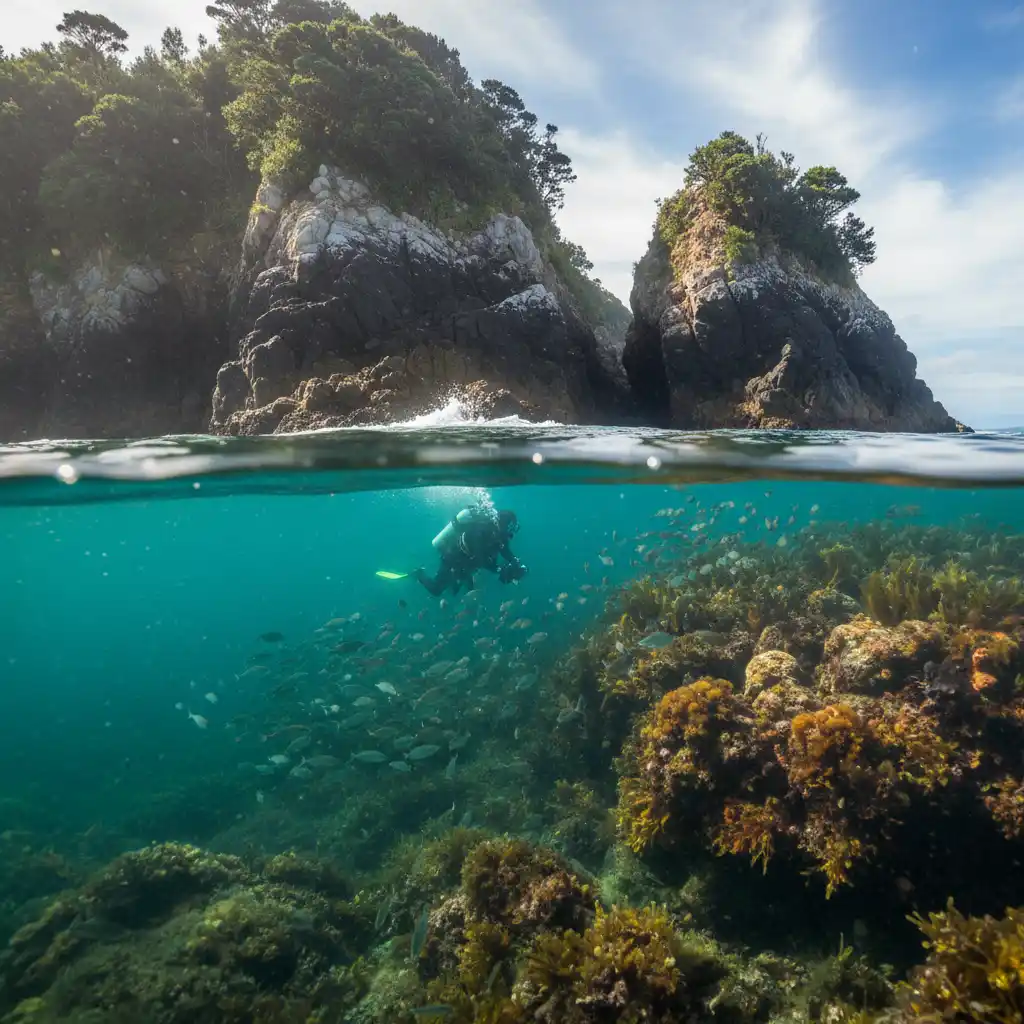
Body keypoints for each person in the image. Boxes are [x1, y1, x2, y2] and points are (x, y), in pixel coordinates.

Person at [415, 506, 526, 597]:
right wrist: (499, 569)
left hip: (466, 564)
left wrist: (516, 562)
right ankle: (418, 573)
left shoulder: (499, 537)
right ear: (502, 525)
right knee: (436, 590)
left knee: (460, 591)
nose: (511, 534)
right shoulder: (480, 532)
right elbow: (481, 559)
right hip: (452, 558)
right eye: (510, 528)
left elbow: (505, 551)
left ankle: (453, 583)